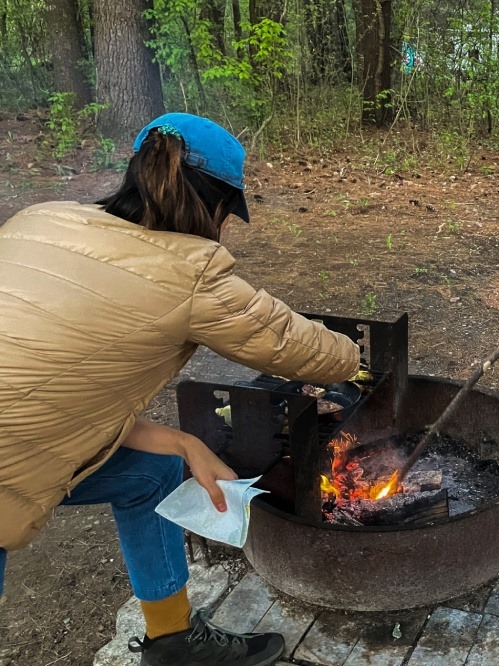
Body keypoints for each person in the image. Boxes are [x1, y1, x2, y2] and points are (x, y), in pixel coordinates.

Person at [0, 112, 360, 666]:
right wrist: (355, 356)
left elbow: (49, 395)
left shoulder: (38, 220)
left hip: (20, 444)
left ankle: (173, 644)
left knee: (152, 476)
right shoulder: (187, 271)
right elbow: (293, 344)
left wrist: (186, 444)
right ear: (214, 206)